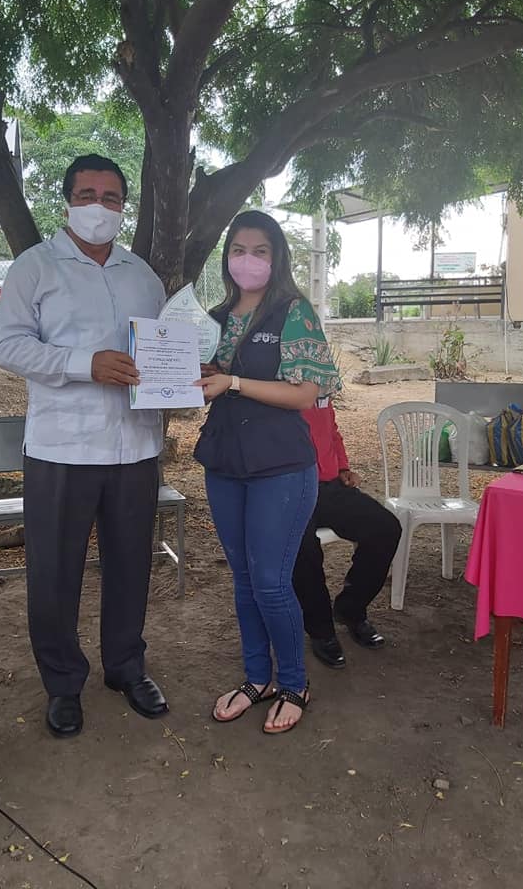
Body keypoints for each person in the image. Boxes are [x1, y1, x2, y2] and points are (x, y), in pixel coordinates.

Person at [0, 153, 169, 738]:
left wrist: (181, 375)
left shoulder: (143, 276)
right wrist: (81, 363)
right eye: (87, 195)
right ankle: (63, 683)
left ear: (123, 207)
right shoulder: (35, 268)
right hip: (61, 448)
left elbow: (161, 349)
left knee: (131, 564)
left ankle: (126, 667)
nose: (99, 207)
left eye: (111, 197)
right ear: (67, 201)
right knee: (54, 573)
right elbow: (6, 346)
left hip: (134, 447)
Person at [194, 210, 340, 734]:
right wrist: (195, 376)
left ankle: (294, 683)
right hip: (224, 463)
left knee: (272, 583)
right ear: (226, 257)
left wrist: (233, 383)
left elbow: (306, 393)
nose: (248, 260)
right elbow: (205, 381)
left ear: (277, 258)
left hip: (280, 466)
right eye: (238, 250)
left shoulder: (293, 312)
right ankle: (257, 678)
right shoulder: (213, 318)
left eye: (260, 251)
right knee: (243, 580)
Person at [292, 398, 402, 668]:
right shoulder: (273, 381)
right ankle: (320, 628)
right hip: (289, 486)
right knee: (303, 548)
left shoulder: (320, 380)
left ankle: (351, 609)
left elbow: (331, 430)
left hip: (329, 486)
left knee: (385, 527)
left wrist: (342, 467)